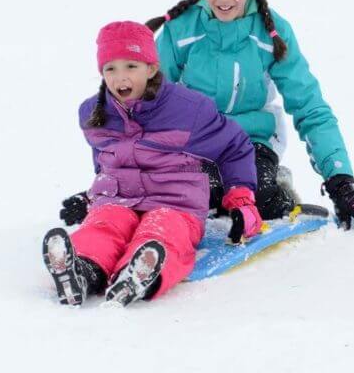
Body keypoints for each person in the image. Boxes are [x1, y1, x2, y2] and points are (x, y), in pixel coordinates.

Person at [144, 0, 354, 232]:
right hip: (196, 142)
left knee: (260, 197)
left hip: (252, 142)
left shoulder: (272, 33)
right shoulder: (180, 30)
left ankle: (273, 188)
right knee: (202, 194)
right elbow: (147, 100)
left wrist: (341, 182)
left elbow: (308, 104)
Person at [43, 21, 262, 307]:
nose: (120, 77)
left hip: (176, 204)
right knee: (104, 224)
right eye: (110, 68)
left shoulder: (188, 110)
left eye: (131, 66)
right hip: (120, 200)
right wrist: (92, 197)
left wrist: (241, 198)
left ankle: (140, 274)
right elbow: (105, 163)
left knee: (164, 231)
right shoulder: (92, 113)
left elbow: (235, 146)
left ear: (151, 68)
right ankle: (80, 270)